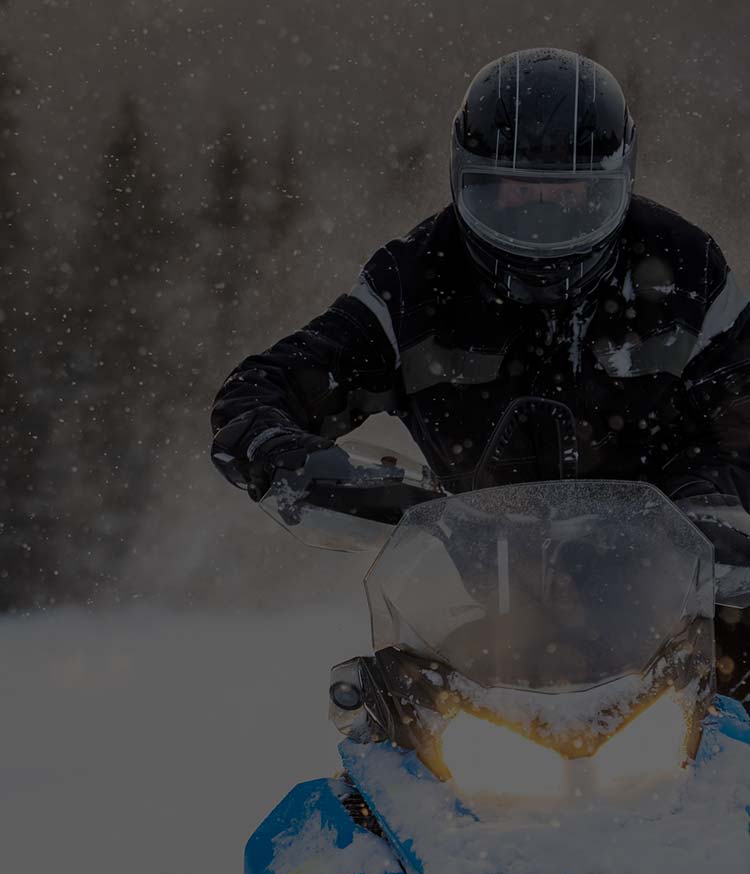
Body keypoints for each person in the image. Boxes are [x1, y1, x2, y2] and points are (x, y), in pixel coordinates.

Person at [210, 47, 750, 695]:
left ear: (621, 182)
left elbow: (744, 412)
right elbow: (261, 392)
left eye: (572, 201)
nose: (539, 231)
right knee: (374, 740)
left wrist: (704, 510)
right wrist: (309, 469)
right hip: (482, 619)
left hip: (685, 610)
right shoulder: (413, 284)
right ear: (461, 178)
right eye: (511, 199)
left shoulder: (686, 271)